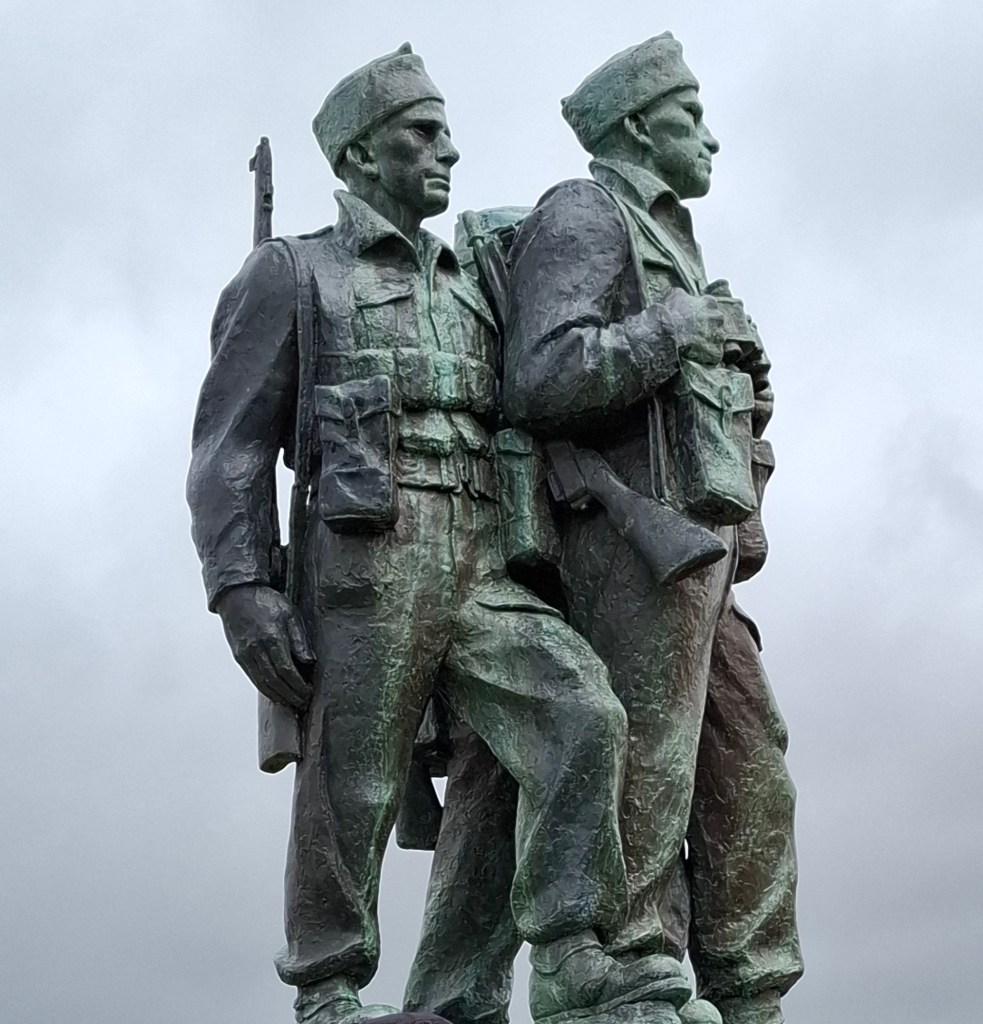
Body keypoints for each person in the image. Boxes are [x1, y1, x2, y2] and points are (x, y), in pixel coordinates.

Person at [187, 44, 681, 1024]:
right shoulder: (294, 273)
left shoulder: (473, 281)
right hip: (366, 558)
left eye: (446, 132)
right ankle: (328, 989)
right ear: (362, 156)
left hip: (483, 550)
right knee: (352, 777)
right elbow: (228, 450)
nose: (447, 152)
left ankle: (572, 948)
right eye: (422, 135)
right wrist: (240, 588)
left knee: (582, 715)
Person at [406, 33, 802, 1024]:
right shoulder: (586, 212)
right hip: (623, 532)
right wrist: (679, 332)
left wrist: (746, 393)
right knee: (641, 760)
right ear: (634, 127)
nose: (707, 137)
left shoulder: (675, 244)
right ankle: (621, 969)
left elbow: (705, 406)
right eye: (687, 117)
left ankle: (748, 985)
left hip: (698, 538)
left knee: (747, 760)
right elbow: (542, 378)